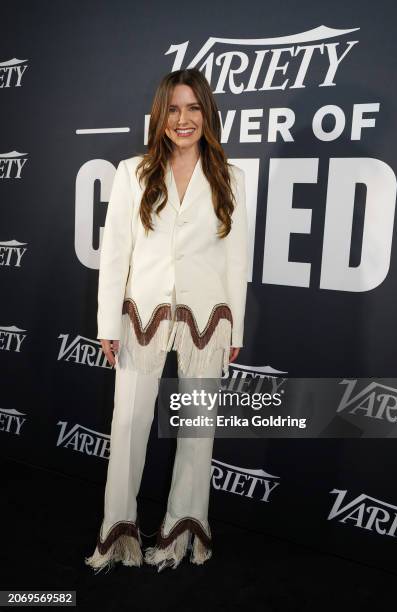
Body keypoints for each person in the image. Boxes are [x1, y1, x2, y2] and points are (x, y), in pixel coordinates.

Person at [84, 67, 249, 573]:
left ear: (207, 114)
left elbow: (237, 260)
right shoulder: (132, 172)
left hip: (209, 317)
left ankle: (182, 533)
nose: (184, 120)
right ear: (160, 115)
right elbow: (115, 255)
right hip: (142, 313)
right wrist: (108, 323)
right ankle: (119, 534)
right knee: (129, 422)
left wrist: (235, 328)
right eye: (174, 109)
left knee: (198, 430)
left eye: (194, 108)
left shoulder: (231, 177)